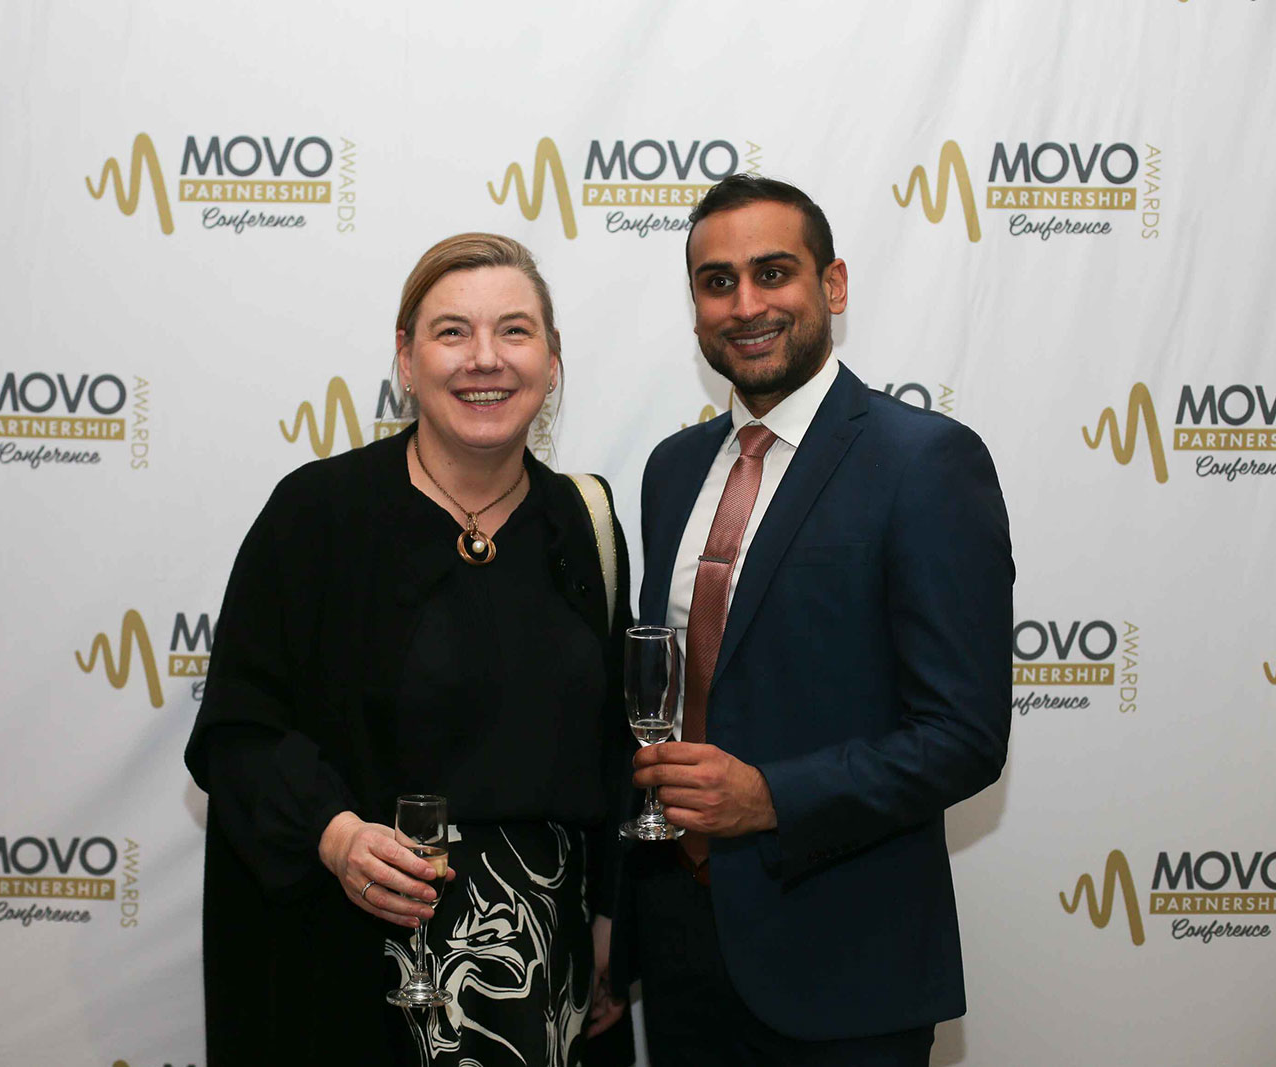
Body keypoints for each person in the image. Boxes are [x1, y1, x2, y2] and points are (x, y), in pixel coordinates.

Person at [184, 233, 632, 1066]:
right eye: (452, 331)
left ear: (552, 360)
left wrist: (611, 916)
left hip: (551, 979)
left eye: (514, 330)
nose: (485, 358)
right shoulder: (317, 515)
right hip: (356, 972)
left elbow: (615, 748)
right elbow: (236, 732)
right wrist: (334, 834)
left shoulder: (586, 522)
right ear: (406, 357)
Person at [622, 175, 1013, 1066]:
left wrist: (770, 797)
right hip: (681, 951)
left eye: (773, 273)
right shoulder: (672, 469)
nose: (745, 305)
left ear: (832, 285)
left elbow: (963, 736)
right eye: (717, 282)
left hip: (845, 968)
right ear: (694, 307)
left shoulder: (925, 463)